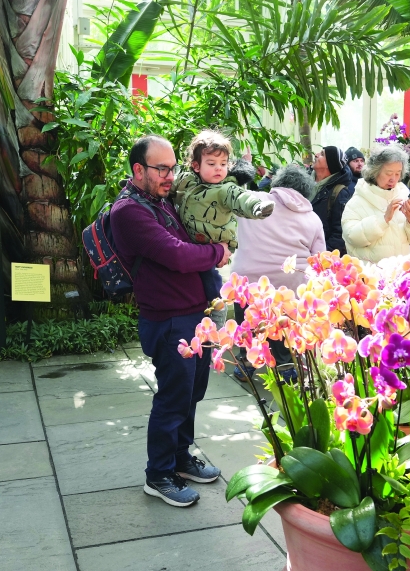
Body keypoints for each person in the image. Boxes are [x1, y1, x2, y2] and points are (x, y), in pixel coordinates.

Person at [111, 135, 230, 508]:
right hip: (168, 320)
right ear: (138, 169)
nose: (169, 175)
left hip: (195, 314)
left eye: (172, 167)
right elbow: (176, 255)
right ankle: (159, 474)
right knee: (173, 397)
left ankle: (180, 457)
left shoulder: (162, 201)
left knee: (192, 393)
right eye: (161, 168)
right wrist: (217, 252)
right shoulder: (128, 211)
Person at [230, 164, 326, 382]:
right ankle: (285, 366)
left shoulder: (253, 201)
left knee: (248, 324)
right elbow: (319, 258)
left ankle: (246, 364)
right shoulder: (312, 218)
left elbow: (231, 194)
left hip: (248, 281)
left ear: (278, 182)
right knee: (283, 328)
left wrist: (245, 166)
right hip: (289, 284)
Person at [171, 130, 274, 304]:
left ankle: (219, 310)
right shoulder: (186, 180)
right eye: (211, 163)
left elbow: (241, 198)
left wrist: (257, 207)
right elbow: (169, 187)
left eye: (223, 163)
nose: (218, 168)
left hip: (213, 246)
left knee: (213, 283)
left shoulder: (225, 189)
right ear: (196, 166)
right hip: (190, 243)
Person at [341, 145, 410, 263]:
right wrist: (383, 219)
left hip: (400, 270)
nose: (393, 179)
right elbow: (351, 237)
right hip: (370, 271)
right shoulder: (357, 201)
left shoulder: (402, 196)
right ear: (375, 172)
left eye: (398, 173)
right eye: (389, 173)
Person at [310, 146, 352, 255]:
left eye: (322, 154)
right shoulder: (304, 184)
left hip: (321, 257)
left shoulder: (339, 193)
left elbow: (340, 234)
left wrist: (321, 255)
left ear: (329, 164)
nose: (316, 155)